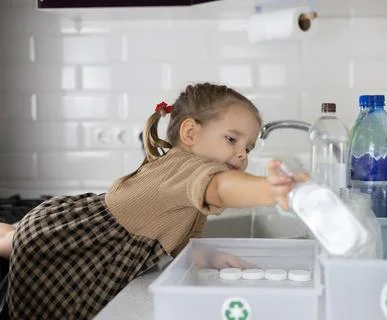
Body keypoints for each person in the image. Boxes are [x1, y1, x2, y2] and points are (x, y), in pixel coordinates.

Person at [0, 83, 299, 320]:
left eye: (248, 147)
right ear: (191, 132)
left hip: (69, 227)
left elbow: (181, 236)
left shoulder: (187, 177)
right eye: (232, 140)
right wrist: (270, 190)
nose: (243, 153)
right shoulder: (188, 169)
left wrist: (207, 257)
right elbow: (222, 189)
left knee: (15, 237)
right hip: (68, 239)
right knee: (18, 245)